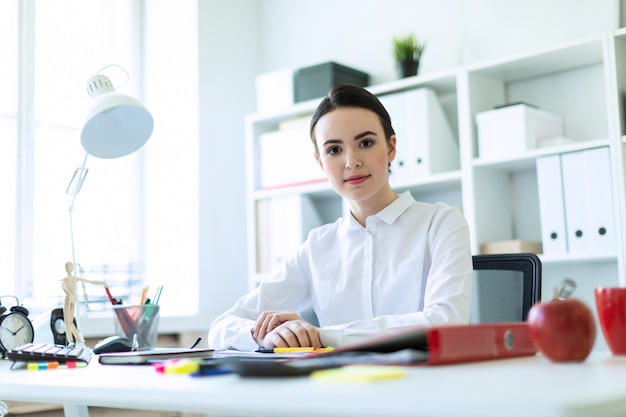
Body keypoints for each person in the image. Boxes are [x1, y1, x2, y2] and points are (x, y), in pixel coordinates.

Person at [208, 83, 472, 351]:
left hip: (421, 383)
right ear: (320, 162)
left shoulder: (441, 223)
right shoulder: (318, 246)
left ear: (391, 147)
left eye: (366, 143)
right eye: (334, 150)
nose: (351, 161)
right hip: (337, 387)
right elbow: (222, 327)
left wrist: (322, 336)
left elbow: (445, 322)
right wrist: (264, 335)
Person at [61, 261, 108, 345]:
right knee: (67, 322)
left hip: (73, 300)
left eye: (70, 267)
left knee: (70, 322)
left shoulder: (75, 278)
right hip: (68, 299)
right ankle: (71, 341)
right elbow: (64, 287)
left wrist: (102, 283)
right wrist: (69, 294)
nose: (69, 269)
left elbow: (90, 281)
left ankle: (78, 340)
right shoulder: (65, 279)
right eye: (67, 267)